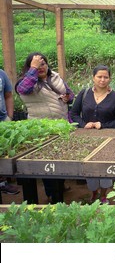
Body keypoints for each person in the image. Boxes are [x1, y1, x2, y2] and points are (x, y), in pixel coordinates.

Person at [16, 52, 74, 203]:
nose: (40, 67)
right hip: (42, 130)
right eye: (35, 64)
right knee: (46, 162)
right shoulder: (26, 81)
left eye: (42, 64)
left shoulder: (55, 77)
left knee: (62, 159)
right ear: (29, 67)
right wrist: (33, 70)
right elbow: (23, 90)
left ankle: (59, 187)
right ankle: (51, 193)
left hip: (62, 126)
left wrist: (68, 97)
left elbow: (69, 92)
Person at [70, 65, 115, 204]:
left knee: (105, 166)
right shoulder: (84, 94)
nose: (102, 80)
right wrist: (83, 124)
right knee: (90, 166)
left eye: (105, 77)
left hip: (108, 140)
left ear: (109, 79)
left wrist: (104, 125)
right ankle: (93, 192)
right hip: (87, 139)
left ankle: (103, 194)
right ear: (93, 78)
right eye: (99, 77)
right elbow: (74, 114)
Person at [0, 69, 20, 195]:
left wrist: (10, 117)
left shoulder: (1, 74)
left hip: (2, 121)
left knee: (3, 153)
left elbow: (8, 95)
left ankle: (2, 183)